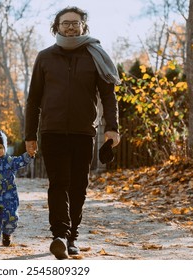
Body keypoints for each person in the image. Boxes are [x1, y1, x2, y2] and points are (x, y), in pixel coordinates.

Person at [24, 6, 121, 260]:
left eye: (75, 23)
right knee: (58, 184)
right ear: (56, 27)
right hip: (52, 131)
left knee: (79, 186)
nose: (70, 27)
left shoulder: (95, 56)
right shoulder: (44, 57)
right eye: (65, 23)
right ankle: (59, 234)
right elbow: (33, 100)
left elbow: (108, 96)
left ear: (83, 27)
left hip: (83, 132)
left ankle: (71, 236)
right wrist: (30, 135)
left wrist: (112, 127)